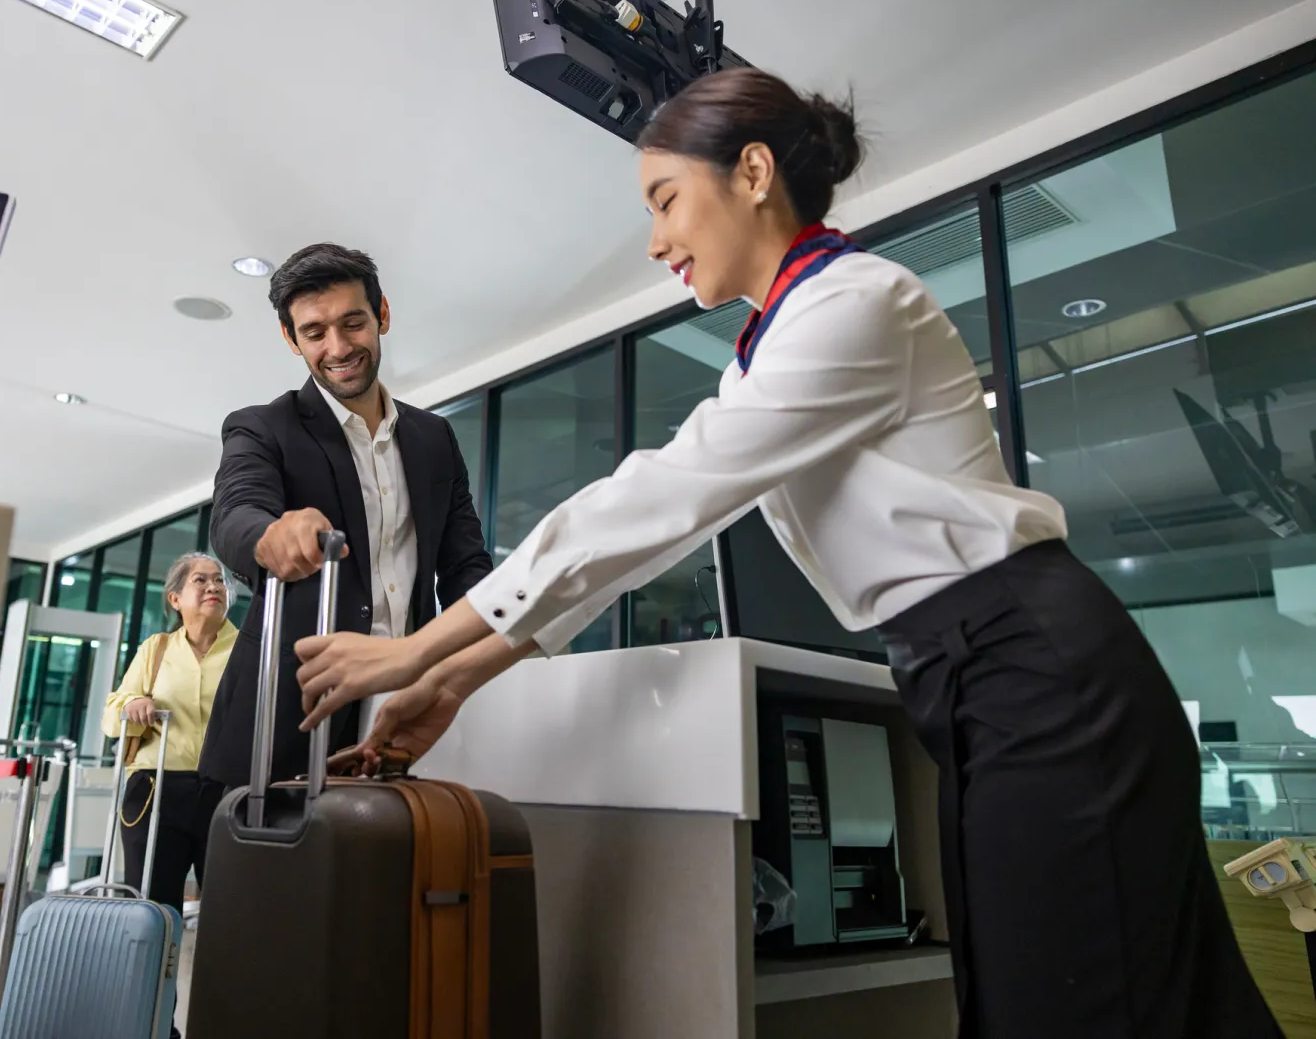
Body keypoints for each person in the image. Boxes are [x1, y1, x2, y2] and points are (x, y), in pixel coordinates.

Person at [290, 70, 1281, 1038]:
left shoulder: (855, 304)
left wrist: (417, 649)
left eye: (665, 200)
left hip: (1037, 667)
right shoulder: (774, 343)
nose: (655, 240)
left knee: (1086, 999)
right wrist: (462, 678)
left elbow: (655, 500)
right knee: (1031, 994)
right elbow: (642, 544)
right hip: (974, 677)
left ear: (752, 172)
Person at [197, 242, 493, 790]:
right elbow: (235, 513)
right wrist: (270, 536)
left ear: (382, 315)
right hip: (283, 722)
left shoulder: (434, 438)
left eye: (353, 323)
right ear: (291, 338)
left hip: (406, 711)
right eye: (314, 332)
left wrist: (497, 640)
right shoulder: (261, 428)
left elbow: (463, 563)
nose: (338, 347)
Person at [101, 552, 235, 1038]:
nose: (213, 586)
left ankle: (220, 1023)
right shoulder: (156, 649)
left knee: (230, 916)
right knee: (155, 915)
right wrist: (131, 703)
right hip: (155, 790)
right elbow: (111, 710)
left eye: (219, 579)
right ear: (176, 598)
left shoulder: (246, 650)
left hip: (224, 792)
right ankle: (156, 1028)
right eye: (200, 580)